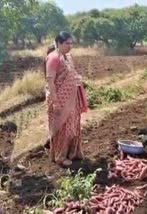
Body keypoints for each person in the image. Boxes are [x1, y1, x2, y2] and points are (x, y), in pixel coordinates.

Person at [45, 31, 88, 167]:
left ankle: (73, 153)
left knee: (73, 126)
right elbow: (50, 81)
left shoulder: (68, 57)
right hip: (59, 99)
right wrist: (55, 101)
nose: (70, 46)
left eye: (71, 43)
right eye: (67, 43)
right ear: (58, 43)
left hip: (72, 99)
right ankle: (60, 157)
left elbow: (72, 75)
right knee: (62, 128)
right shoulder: (53, 58)